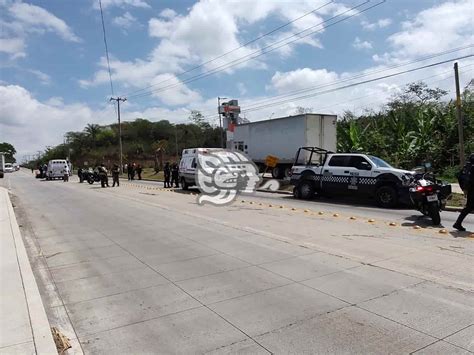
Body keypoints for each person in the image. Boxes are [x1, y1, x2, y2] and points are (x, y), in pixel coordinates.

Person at [453, 153, 474, 232]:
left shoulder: (467, 167)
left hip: (470, 190)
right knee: (469, 207)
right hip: (472, 190)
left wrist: (464, 188)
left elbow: (459, 176)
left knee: (469, 207)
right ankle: (457, 223)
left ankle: (458, 223)